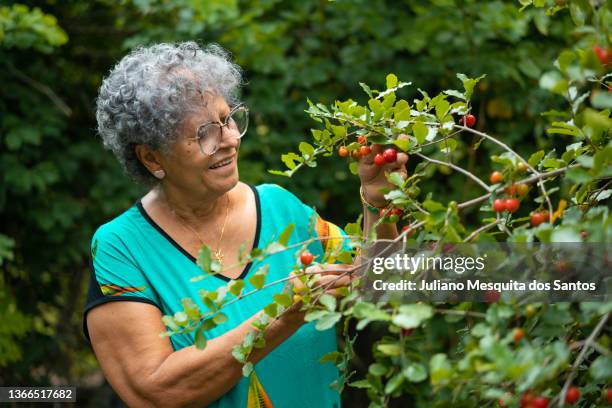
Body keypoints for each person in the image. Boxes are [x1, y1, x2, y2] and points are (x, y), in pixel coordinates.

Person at [84, 42, 408, 408]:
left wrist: (380, 203)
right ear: (152, 157)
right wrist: (286, 315)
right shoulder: (121, 248)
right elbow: (157, 393)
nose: (230, 140)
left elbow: (382, 287)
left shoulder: (279, 207)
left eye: (229, 119)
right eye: (204, 133)